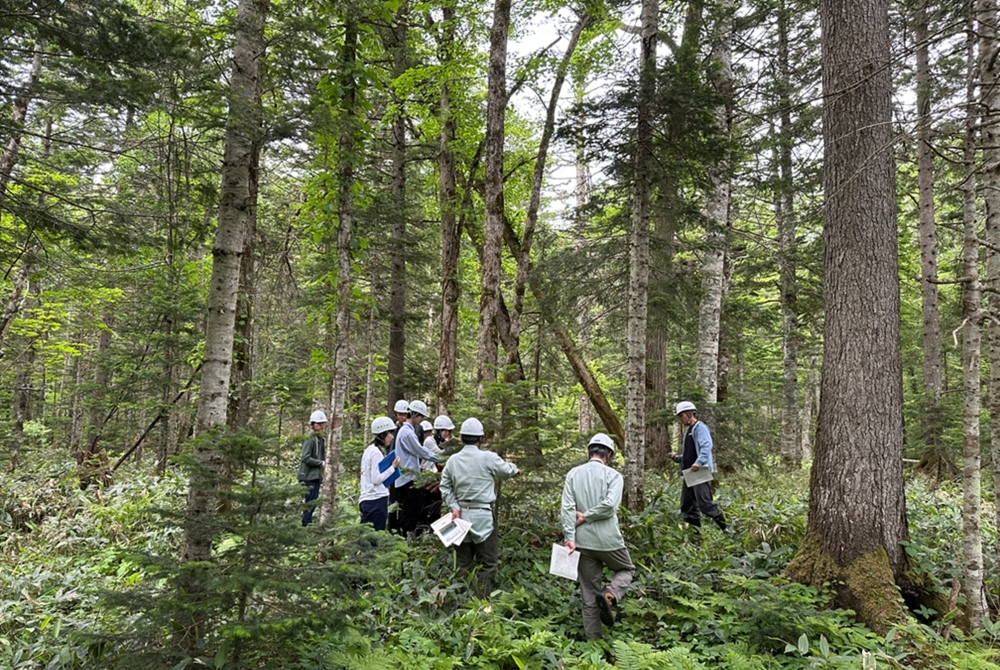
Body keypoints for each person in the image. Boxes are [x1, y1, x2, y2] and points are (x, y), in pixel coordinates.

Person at [561, 432, 635, 639]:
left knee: (588, 592)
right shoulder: (614, 476)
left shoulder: (573, 474)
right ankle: (610, 594)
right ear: (609, 455)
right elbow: (610, 506)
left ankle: (594, 642)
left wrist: (570, 536)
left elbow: (567, 508)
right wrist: (589, 516)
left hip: (582, 541)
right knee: (627, 570)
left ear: (589, 451)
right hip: (609, 539)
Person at [440, 417, 520, 596]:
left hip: (459, 517)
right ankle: (483, 602)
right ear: (480, 438)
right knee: (488, 563)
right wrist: (515, 469)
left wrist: (453, 506)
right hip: (483, 516)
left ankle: (462, 602)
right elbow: (507, 471)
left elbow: (444, 486)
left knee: (463, 564)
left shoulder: (453, 460)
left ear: (461, 438)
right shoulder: (488, 457)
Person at [670, 401, 730, 535]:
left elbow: (706, 446)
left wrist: (699, 462)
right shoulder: (688, 432)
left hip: (699, 471)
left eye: (681, 416)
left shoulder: (700, 428)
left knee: (705, 504)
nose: (680, 419)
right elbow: (689, 454)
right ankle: (695, 534)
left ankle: (725, 529)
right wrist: (678, 458)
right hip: (689, 472)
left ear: (689, 413)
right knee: (687, 504)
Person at [393, 399, 442, 536]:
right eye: (421, 416)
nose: (422, 420)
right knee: (410, 512)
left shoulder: (408, 431)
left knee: (411, 510)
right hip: (408, 479)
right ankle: (403, 540)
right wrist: (440, 458)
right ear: (414, 415)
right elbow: (421, 451)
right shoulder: (407, 432)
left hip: (408, 478)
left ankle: (406, 538)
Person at [359, 416, 400, 530]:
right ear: (382, 434)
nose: (392, 437)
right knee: (375, 539)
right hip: (375, 501)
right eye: (390, 433)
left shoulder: (369, 450)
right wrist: (393, 467)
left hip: (368, 500)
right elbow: (376, 479)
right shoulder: (376, 453)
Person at [421, 415, 454, 523]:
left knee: (436, 507)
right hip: (428, 479)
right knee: (426, 507)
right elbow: (439, 456)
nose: (447, 433)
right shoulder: (429, 441)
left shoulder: (441, 441)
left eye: (448, 431)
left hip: (439, 479)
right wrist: (449, 446)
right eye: (445, 431)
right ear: (439, 430)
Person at [297, 410, 327, 526]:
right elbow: (305, 457)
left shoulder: (321, 440)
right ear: (313, 424)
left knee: (313, 503)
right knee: (310, 504)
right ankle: (305, 525)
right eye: (319, 424)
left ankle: (307, 524)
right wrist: (320, 463)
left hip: (315, 476)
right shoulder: (310, 438)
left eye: (323, 423)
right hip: (308, 477)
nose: (321, 426)